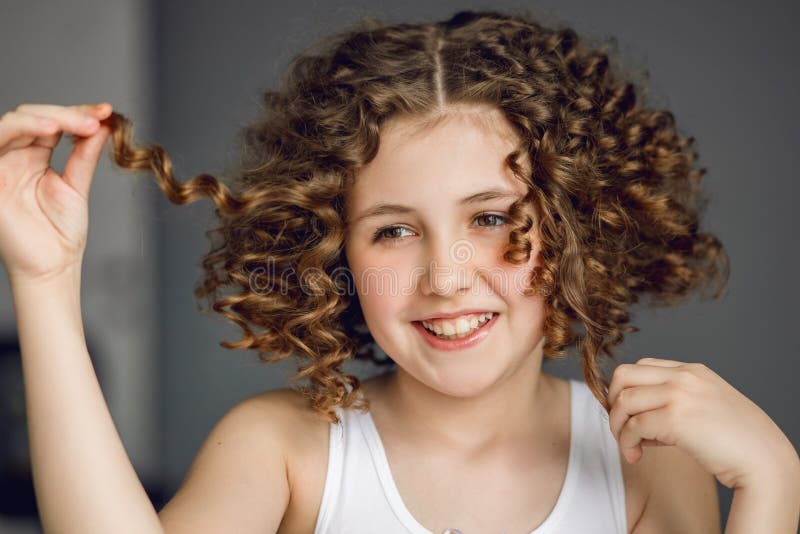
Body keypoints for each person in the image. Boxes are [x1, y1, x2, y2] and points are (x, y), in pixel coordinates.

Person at [0, 8, 798, 534]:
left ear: (573, 227)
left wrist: (773, 483)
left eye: (489, 219)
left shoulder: (646, 461)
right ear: (331, 253)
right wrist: (42, 282)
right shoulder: (285, 450)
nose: (444, 278)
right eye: (392, 232)